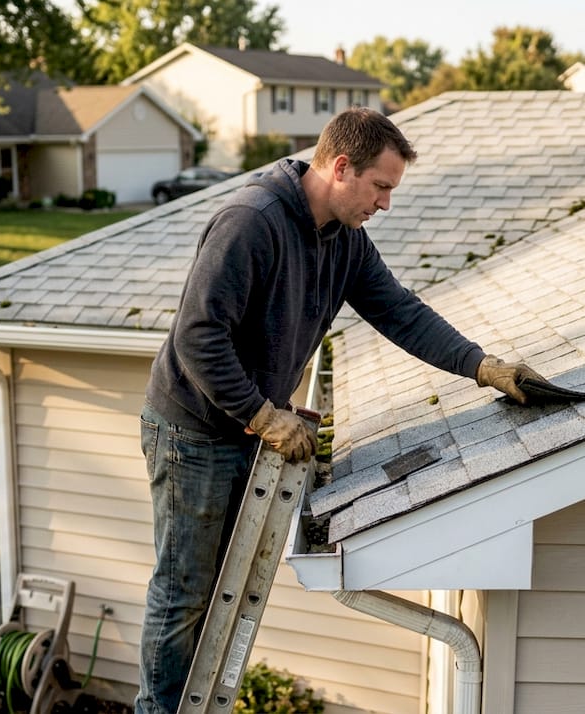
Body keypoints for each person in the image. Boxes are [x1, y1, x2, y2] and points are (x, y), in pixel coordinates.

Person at [136, 106, 542, 714]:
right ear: (341, 167)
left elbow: (401, 313)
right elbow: (198, 336)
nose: (384, 204)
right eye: (380, 187)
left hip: (247, 427)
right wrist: (263, 415)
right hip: (193, 430)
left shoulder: (342, 241)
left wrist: (482, 366)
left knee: (224, 587)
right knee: (185, 592)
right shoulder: (252, 222)